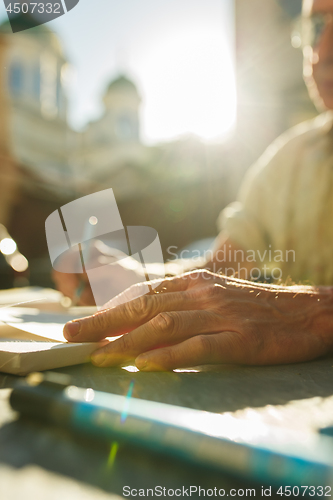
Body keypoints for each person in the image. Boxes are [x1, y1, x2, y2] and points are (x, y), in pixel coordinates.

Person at [62, 0, 333, 371]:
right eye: (316, 28)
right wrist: (138, 280)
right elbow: (222, 267)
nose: (323, 52)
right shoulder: (289, 160)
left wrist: (311, 314)